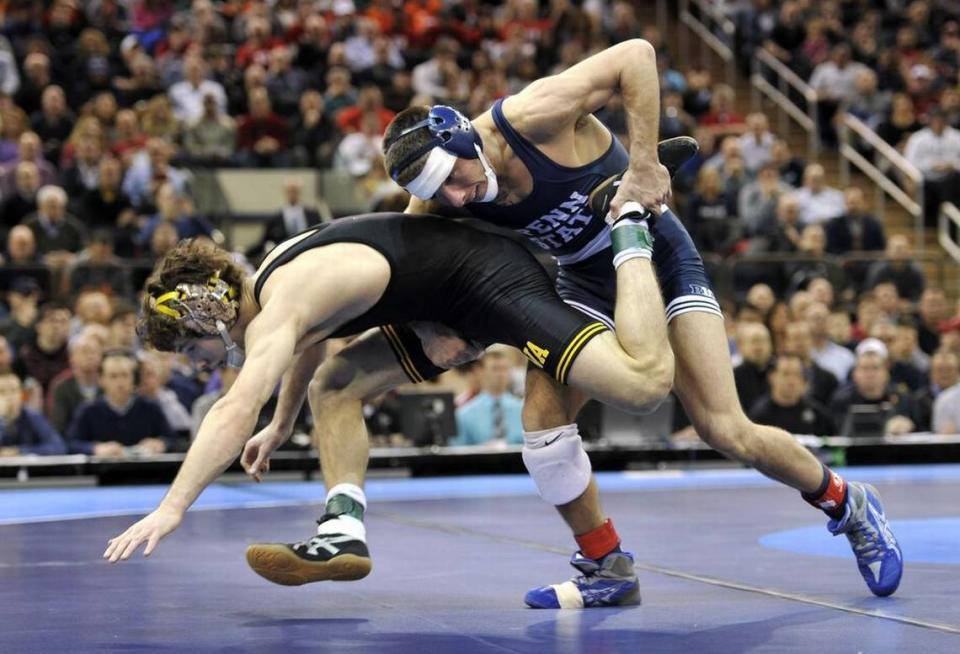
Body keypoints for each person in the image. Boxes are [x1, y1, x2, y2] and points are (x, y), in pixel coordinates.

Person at [287, 42, 898, 602]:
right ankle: (606, 565)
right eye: (435, 192)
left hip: (657, 255)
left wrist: (642, 165)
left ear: (466, 139)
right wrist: (428, 329)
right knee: (541, 425)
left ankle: (847, 503)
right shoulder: (437, 198)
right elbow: (418, 260)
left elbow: (636, 55)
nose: (455, 199)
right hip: (582, 278)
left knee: (723, 427)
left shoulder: (532, 116)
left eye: (454, 178)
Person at [104, 210, 677, 590]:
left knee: (640, 388)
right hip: (442, 297)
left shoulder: (279, 306)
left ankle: (631, 236)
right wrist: (282, 423)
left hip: (489, 280)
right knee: (335, 385)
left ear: (211, 315)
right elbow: (314, 342)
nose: (198, 363)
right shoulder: (279, 291)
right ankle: (343, 530)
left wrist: (173, 505)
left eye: (190, 348)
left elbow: (234, 408)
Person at [67, 350, 173, 457]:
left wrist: (161, 444)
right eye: (113, 376)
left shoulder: (151, 408)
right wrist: (95, 448)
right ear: (101, 380)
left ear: (134, 379)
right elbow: (72, 444)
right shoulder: (89, 410)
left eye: (125, 375)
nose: (120, 382)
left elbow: (173, 439)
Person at [747, 355, 835, 436]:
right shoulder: (760, 414)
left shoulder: (817, 414)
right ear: (772, 377)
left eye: (797, 374)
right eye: (786, 374)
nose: (791, 381)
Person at [452, 348, 523, 446]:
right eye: (495, 369)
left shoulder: (523, 410)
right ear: (480, 371)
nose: (500, 374)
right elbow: (456, 451)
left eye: (505, 369)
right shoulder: (463, 415)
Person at [0, 372, 66, 456]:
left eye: (13, 390)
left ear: (21, 394)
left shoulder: (32, 416)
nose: (9, 396)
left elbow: (58, 447)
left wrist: (20, 451)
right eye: (2, 392)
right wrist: (1, 419)